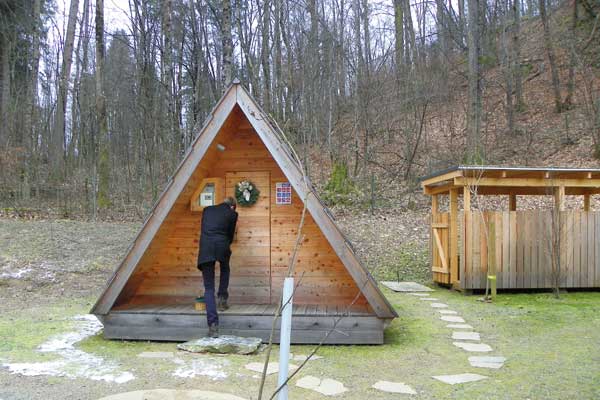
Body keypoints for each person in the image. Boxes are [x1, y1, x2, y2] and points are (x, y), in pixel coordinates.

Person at [197, 196, 238, 338]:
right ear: (232, 206)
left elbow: (205, 228)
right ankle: (222, 298)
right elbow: (230, 235)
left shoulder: (207, 210)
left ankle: (213, 326)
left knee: (208, 288)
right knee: (225, 268)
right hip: (222, 245)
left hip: (206, 248)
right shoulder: (232, 214)